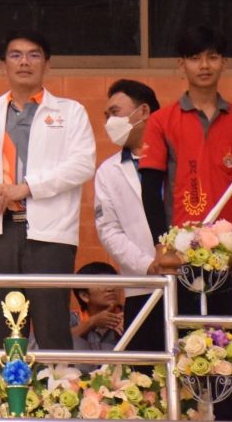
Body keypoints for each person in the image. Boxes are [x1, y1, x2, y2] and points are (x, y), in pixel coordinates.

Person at [0, 30, 96, 350]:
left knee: (52, 327)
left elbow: (83, 164)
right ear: (3, 65)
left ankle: (58, 385)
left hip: (50, 234)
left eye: (34, 55)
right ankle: (5, 384)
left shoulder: (71, 112)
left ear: (47, 64)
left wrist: (27, 188)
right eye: (15, 55)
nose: (24, 62)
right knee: (2, 329)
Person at [138, 25, 232, 317]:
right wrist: (161, 245)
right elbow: (150, 190)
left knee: (230, 335)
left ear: (224, 62)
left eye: (212, 57)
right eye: (195, 58)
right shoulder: (161, 121)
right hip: (181, 249)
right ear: (181, 64)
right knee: (186, 335)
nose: (204, 65)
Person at [93, 79, 164, 354]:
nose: (109, 122)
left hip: (187, 281)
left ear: (143, 111)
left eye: (115, 112)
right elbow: (109, 231)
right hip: (141, 285)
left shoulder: (179, 159)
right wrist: (148, 265)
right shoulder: (107, 171)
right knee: (144, 371)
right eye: (106, 116)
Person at [70, 261, 124, 353]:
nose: (110, 289)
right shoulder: (72, 318)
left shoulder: (131, 315)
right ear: (84, 296)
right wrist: (92, 322)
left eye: (113, 283)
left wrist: (130, 326)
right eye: (102, 285)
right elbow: (58, 341)